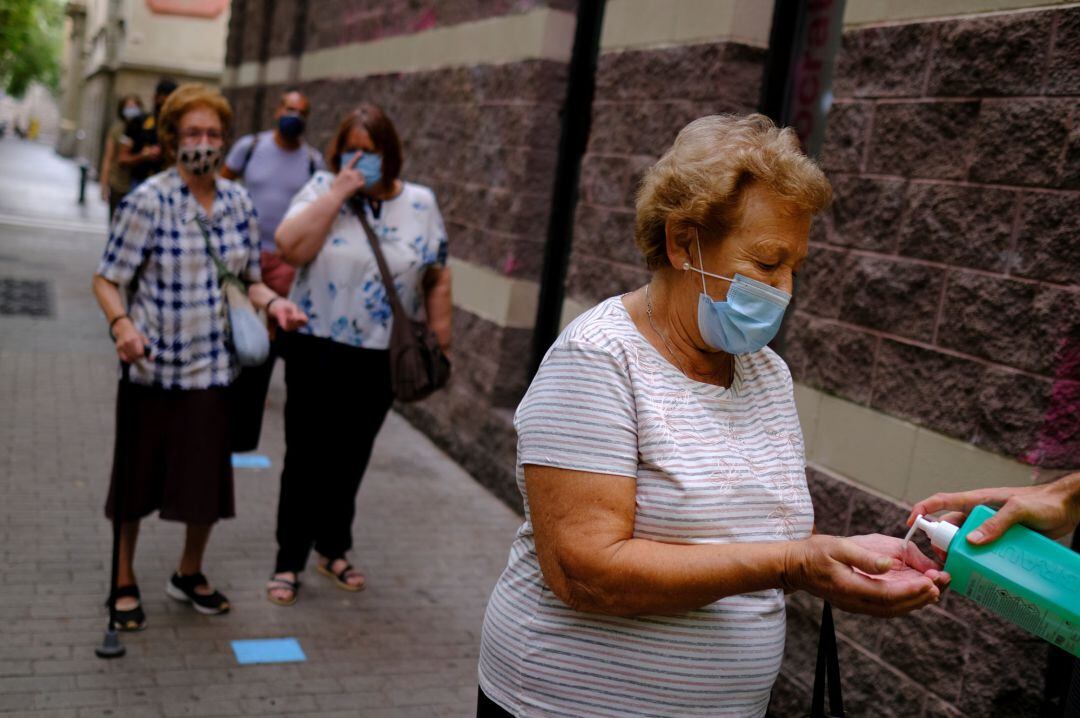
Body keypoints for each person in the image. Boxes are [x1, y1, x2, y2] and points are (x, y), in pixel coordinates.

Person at [476, 114, 949, 718]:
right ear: (682, 242)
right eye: (767, 262)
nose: (785, 289)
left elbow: (753, 535)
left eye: (794, 267)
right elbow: (586, 574)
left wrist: (836, 560)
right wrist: (793, 563)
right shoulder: (597, 359)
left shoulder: (764, 372)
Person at [91, 84, 307, 630]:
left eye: (213, 133)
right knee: (135, 483)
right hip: (153, 370)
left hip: (215, 372)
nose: (204, 143)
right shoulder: (148, 200)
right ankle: (122, 577)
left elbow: (249, 281)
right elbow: (107, 279)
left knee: (205, 486)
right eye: (192, 133)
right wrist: (122, 325)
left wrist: (276, 304)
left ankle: (189, 573)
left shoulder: (238, 203)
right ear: (170, 140)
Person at [266, 103, 452, 606]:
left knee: (351, 455)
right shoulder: (321, 189)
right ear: (338, 152)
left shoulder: (420, 202)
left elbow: (436, 273)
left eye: (371, 151)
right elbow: (289, 248)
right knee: (304, 454)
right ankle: (288, 561)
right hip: (316, 342)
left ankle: (333, 548)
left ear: (390, 154)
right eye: (352, 149)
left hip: (379, 354)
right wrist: (340, 192)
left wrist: (441, 333)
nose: (361, 158)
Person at [220, 89, 324, 451]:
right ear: (277, 111)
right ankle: (229, 376)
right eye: (289, 108)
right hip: (243, 251)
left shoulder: (313, 162)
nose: (294, 114)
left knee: (272, 324)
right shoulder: (250, 147)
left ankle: (253, 387)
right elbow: (222, 183)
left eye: (301, 110)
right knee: (238, 315)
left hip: (285, 259)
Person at [117, 78, 177, 191]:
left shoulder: (178, 127)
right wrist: (142, 156)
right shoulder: (138, 123)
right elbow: (122, 159)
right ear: (156, 98)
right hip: (140, 183)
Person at [99, 94, 145, 219]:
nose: (131, 110)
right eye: (128, 106)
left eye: (134, 106)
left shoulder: (144, 128)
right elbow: (108, 158)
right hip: (118, 184)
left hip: (137, 185)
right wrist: (104, 185)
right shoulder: (116, 130)